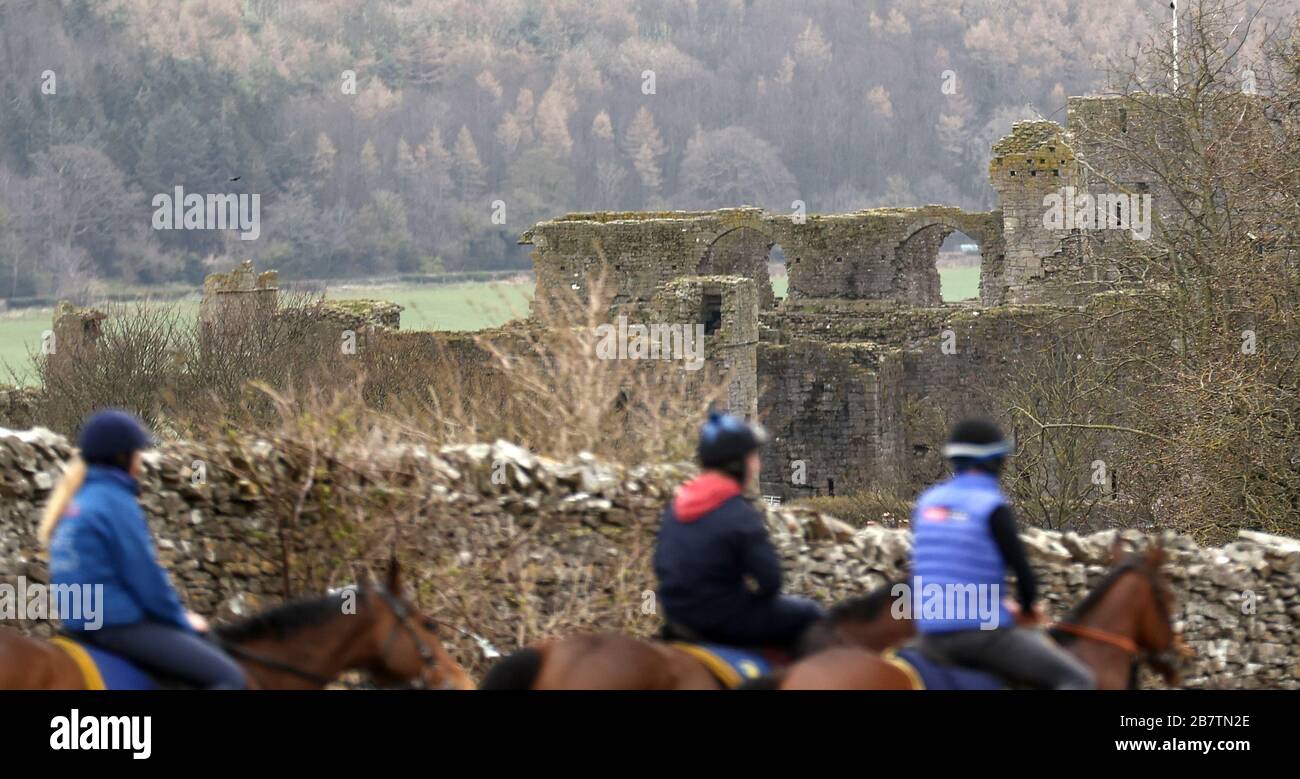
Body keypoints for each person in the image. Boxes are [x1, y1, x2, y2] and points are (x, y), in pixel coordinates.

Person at [39, 409, 246, 690]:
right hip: (115, 626)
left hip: (78, 625)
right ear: (122, 457)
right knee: (230, 677)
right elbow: (145, 576)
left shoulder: (75, 504)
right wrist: (181, 619)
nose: (140, 464)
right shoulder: (113, 502)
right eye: (137, 454)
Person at [909, 418, 1095, 690]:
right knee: (1077, 679)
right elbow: (1024, 576)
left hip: (928, 636)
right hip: (981, 636)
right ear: (994, 461)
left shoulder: (927, 503)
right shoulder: (992, 506)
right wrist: (1026, 608)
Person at [653, 411, 823, 651]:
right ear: (736, 463)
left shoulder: (677, 506)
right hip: (722, 619)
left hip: (676, 616)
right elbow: (770, 581)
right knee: (809, 612)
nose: (757, 464)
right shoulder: (738, 513)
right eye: (752, 456)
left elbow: (660, 564)